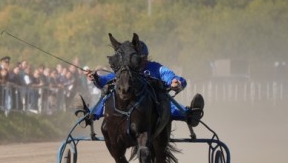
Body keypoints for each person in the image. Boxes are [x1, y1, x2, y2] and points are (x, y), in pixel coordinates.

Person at [76, 42, 204, 127]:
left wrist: (176, 82)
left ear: (146, 57)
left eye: (140, 59)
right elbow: (105, 82)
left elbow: (171, 76)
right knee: (109, 97)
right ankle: (90, 115)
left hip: (152, 101)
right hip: (129, 104)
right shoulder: (126, 70)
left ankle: (189, 115)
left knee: (166, 101)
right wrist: (95, 77)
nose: (138, 62)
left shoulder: (156, 68)